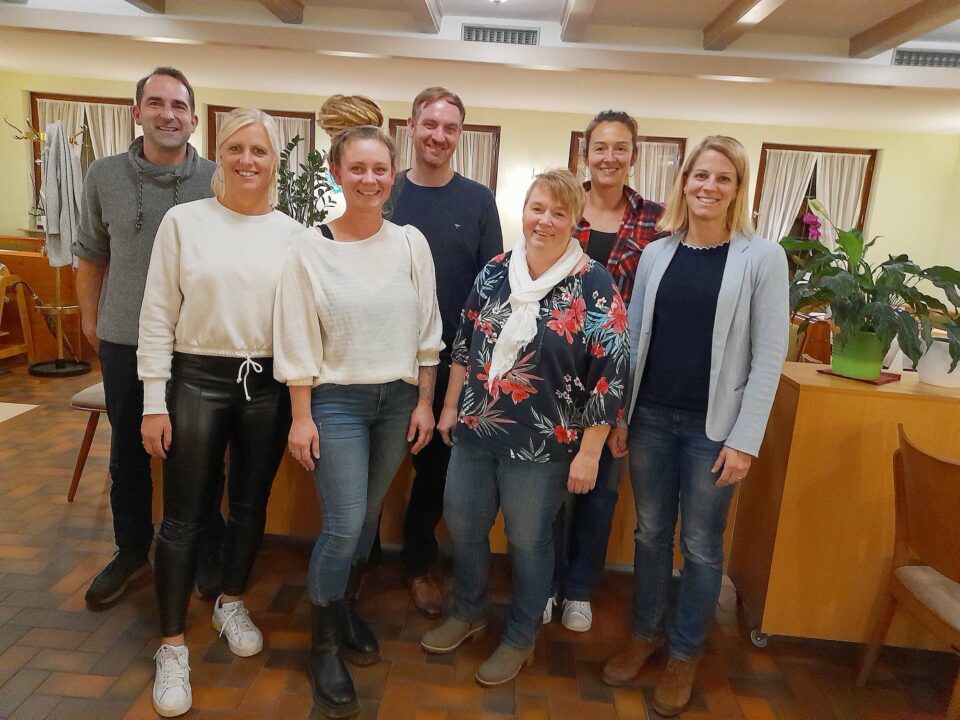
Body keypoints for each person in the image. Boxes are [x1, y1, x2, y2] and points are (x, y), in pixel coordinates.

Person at [600, 135, 789, 717]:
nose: (709, 186)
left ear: (738, 190)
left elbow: (769, 356)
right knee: (650, 534)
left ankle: (684, 652)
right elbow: (633, 339)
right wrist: (621, 415)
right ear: (684, 183)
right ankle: (645, 634)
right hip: (651, 418)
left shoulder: (762, 258)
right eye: (700, 176)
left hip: (715, 428)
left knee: (702, 547)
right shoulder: (657, 253)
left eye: (723, 178)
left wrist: (745, 440)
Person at [420, 169, 630, 687]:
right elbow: (465, 344)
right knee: (464, 524)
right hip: (475, 429)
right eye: (538, 208)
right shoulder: (496, 271)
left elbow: (611, 374)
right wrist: (449, 406)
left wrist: (590, 452)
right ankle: (468, 612)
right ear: (524, 210)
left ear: (574, 221)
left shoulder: (594, 284)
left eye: (559, 212)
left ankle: (520, 636)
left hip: (544, 444)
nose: (545, 221)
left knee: (528, 540)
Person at [273, 94, 442, 719]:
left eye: (380, 169)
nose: (370, 179)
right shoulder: (309, 248)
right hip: (336, 402)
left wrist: (425, 401)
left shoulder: (411, 243)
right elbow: (296, 337)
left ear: (393, 174)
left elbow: (429, 331)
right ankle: (321, 647)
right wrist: (301, 416)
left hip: (398, 401)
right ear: (337, 173)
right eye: (358, 169)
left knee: (368, 519)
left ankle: (343, 611)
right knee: (344, 525)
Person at [138, 107, 303, 717]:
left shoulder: (294, 236)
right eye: (236, 148)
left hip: (266, 386)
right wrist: (153, 402)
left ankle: (231, 601)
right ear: (219, 154)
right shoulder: (184, 222)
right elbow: (157, 313)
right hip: (197, 379)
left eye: (259, 150)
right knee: (183, 518)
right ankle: (172, 645)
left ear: (274, 161)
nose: (247, 160)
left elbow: (301, 324)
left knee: (251, 506)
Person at [74, 67, 225, 606]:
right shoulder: (104, 174)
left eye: (179, 105)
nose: (168, 114)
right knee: (128, 453)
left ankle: (206, 547)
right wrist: (90, 319)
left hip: (195, 343)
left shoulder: (216, 178)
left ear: (193, 118)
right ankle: (132, 550)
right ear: (137, 112)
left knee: (201, 452)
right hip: (125, 339)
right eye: (156, 103)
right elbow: (91, 252)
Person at [384, 86, 503, 618]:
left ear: (460, 135)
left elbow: (492, 288)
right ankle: (358, 561)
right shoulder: (384, 190)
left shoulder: (478, 200)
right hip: (382, 359)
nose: (439, 135)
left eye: (450, 127)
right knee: (371, 471)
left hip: (450, 368)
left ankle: (417, 564)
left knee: (433, 475)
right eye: (429, 124)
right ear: (411, 127)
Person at [545, 110, 666, 633]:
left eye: (620, 148)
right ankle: (546, 582)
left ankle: (578, 589)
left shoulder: (658, 221)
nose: (609, 157)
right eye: (600, 147)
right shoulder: (563, 207)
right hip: (555, 374)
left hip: (616, 377)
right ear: (585, 154)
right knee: (548, 489)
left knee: (600, 491)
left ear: (633, 156)